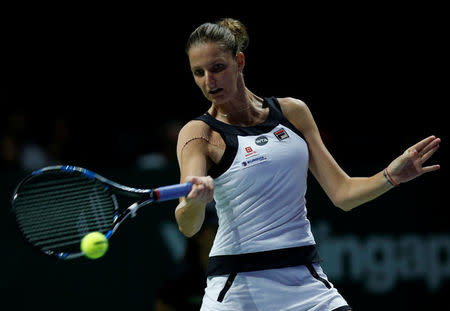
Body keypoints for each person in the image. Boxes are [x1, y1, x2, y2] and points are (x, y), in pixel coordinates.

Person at [175, 18, 441, 311]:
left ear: (239, 61)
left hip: (306, 282)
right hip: (238, 289)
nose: (208, 82)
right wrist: (194, 202)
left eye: (217, 68)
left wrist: (391, 175)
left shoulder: (293, 113)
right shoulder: (199, 134)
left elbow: (343, 193)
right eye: (198, 73)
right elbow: (188, 224)